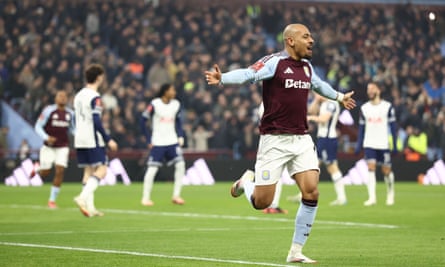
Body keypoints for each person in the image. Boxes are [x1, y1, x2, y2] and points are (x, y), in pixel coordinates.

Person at [205, 23, 355, 264]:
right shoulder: (275, 62)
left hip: (301, 138)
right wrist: (223, 79)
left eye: (312, 36)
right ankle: (246, 182)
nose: (312, 40)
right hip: (274, 140)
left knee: (312, 191)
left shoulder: (306, 67)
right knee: (262, 202)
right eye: (306, 36)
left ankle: (295, 251)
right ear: (290, 41)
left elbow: (318, 85)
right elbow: (248, 74)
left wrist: (339, 97)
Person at [73, 63, 118, 217]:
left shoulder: (78, 95)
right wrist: (108, 139)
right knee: (102, 170)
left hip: (80, 137)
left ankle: (90, 208)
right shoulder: (95, 97)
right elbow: (96, 120)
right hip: (92, 138)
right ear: (99, 77)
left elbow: (75, 118)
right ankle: (82, 197)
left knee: (88, 171)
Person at [140, 83, 186, 206]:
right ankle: (145, 198)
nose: (174, 92)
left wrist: (180, 135)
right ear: (165, 91)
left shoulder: (176, 104)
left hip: (172, 141)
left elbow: (178, 122)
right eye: (172, 90)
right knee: (152, 169)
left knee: (181, 164)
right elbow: (143, 120)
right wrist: (148, 140)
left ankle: (176, 195)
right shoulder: (155, 104)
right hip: (158, 142)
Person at [354, 81, 397, 206]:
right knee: (371, 169)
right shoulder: (364, 108)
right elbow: (361, 129)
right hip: (369, 143)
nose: (370, 91)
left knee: (386, 171)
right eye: (368, 89)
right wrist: (359, 145)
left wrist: (394, 144)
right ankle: (372, 197)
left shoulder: (387, 107)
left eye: (372, 88)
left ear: (378, 90)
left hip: (383, 143)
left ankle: (390, 194)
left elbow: (393, 127)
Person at [32, 90, 75, 208]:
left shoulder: (70, 113)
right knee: (45, 173)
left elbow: (72, 129)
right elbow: (37, 126)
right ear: (55, 99)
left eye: (65, 96)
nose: (62, 98)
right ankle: (37, 169)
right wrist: (46, 137)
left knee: (60, 171)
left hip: (63, 146)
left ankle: (52, 200)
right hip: (48, 147)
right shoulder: (48, 111)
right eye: (60, 96)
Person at [307, 93, 347, 205]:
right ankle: (305, 193)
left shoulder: (332, 104)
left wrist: (310, 118)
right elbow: (311, 111)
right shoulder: (323, 103)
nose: (317, 95)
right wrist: (316, 100)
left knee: (332, 167)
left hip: (328, 139)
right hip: (322, 139)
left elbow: (324, 119)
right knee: (314, 165)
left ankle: (342, 198)